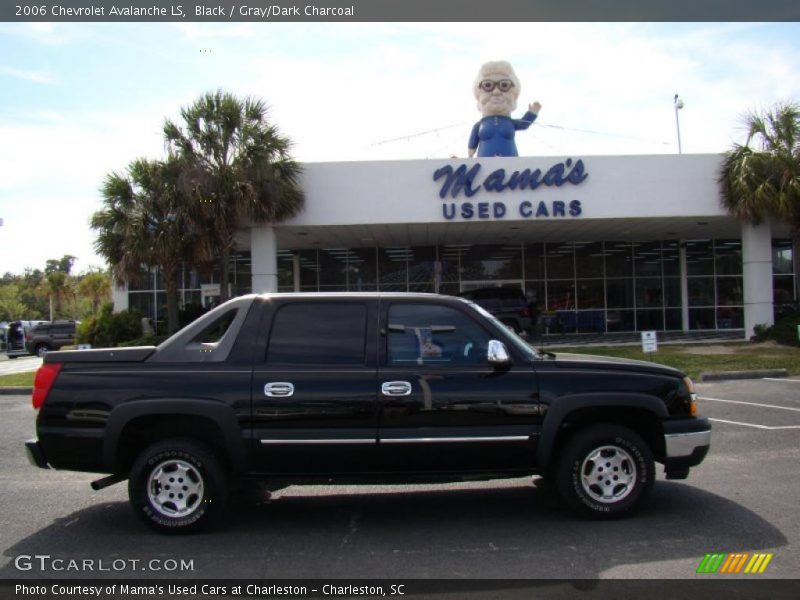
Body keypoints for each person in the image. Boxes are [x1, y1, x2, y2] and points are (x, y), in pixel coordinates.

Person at [467, 60, 541, 157]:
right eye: (488, 85)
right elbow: (472, 144)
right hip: (484, 164)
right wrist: (470, 153)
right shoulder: (479, 125)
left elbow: (523, 124)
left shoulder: (510, 122)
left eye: (504, 85)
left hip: (511, 163)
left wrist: (532, 113)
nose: (496, 91)